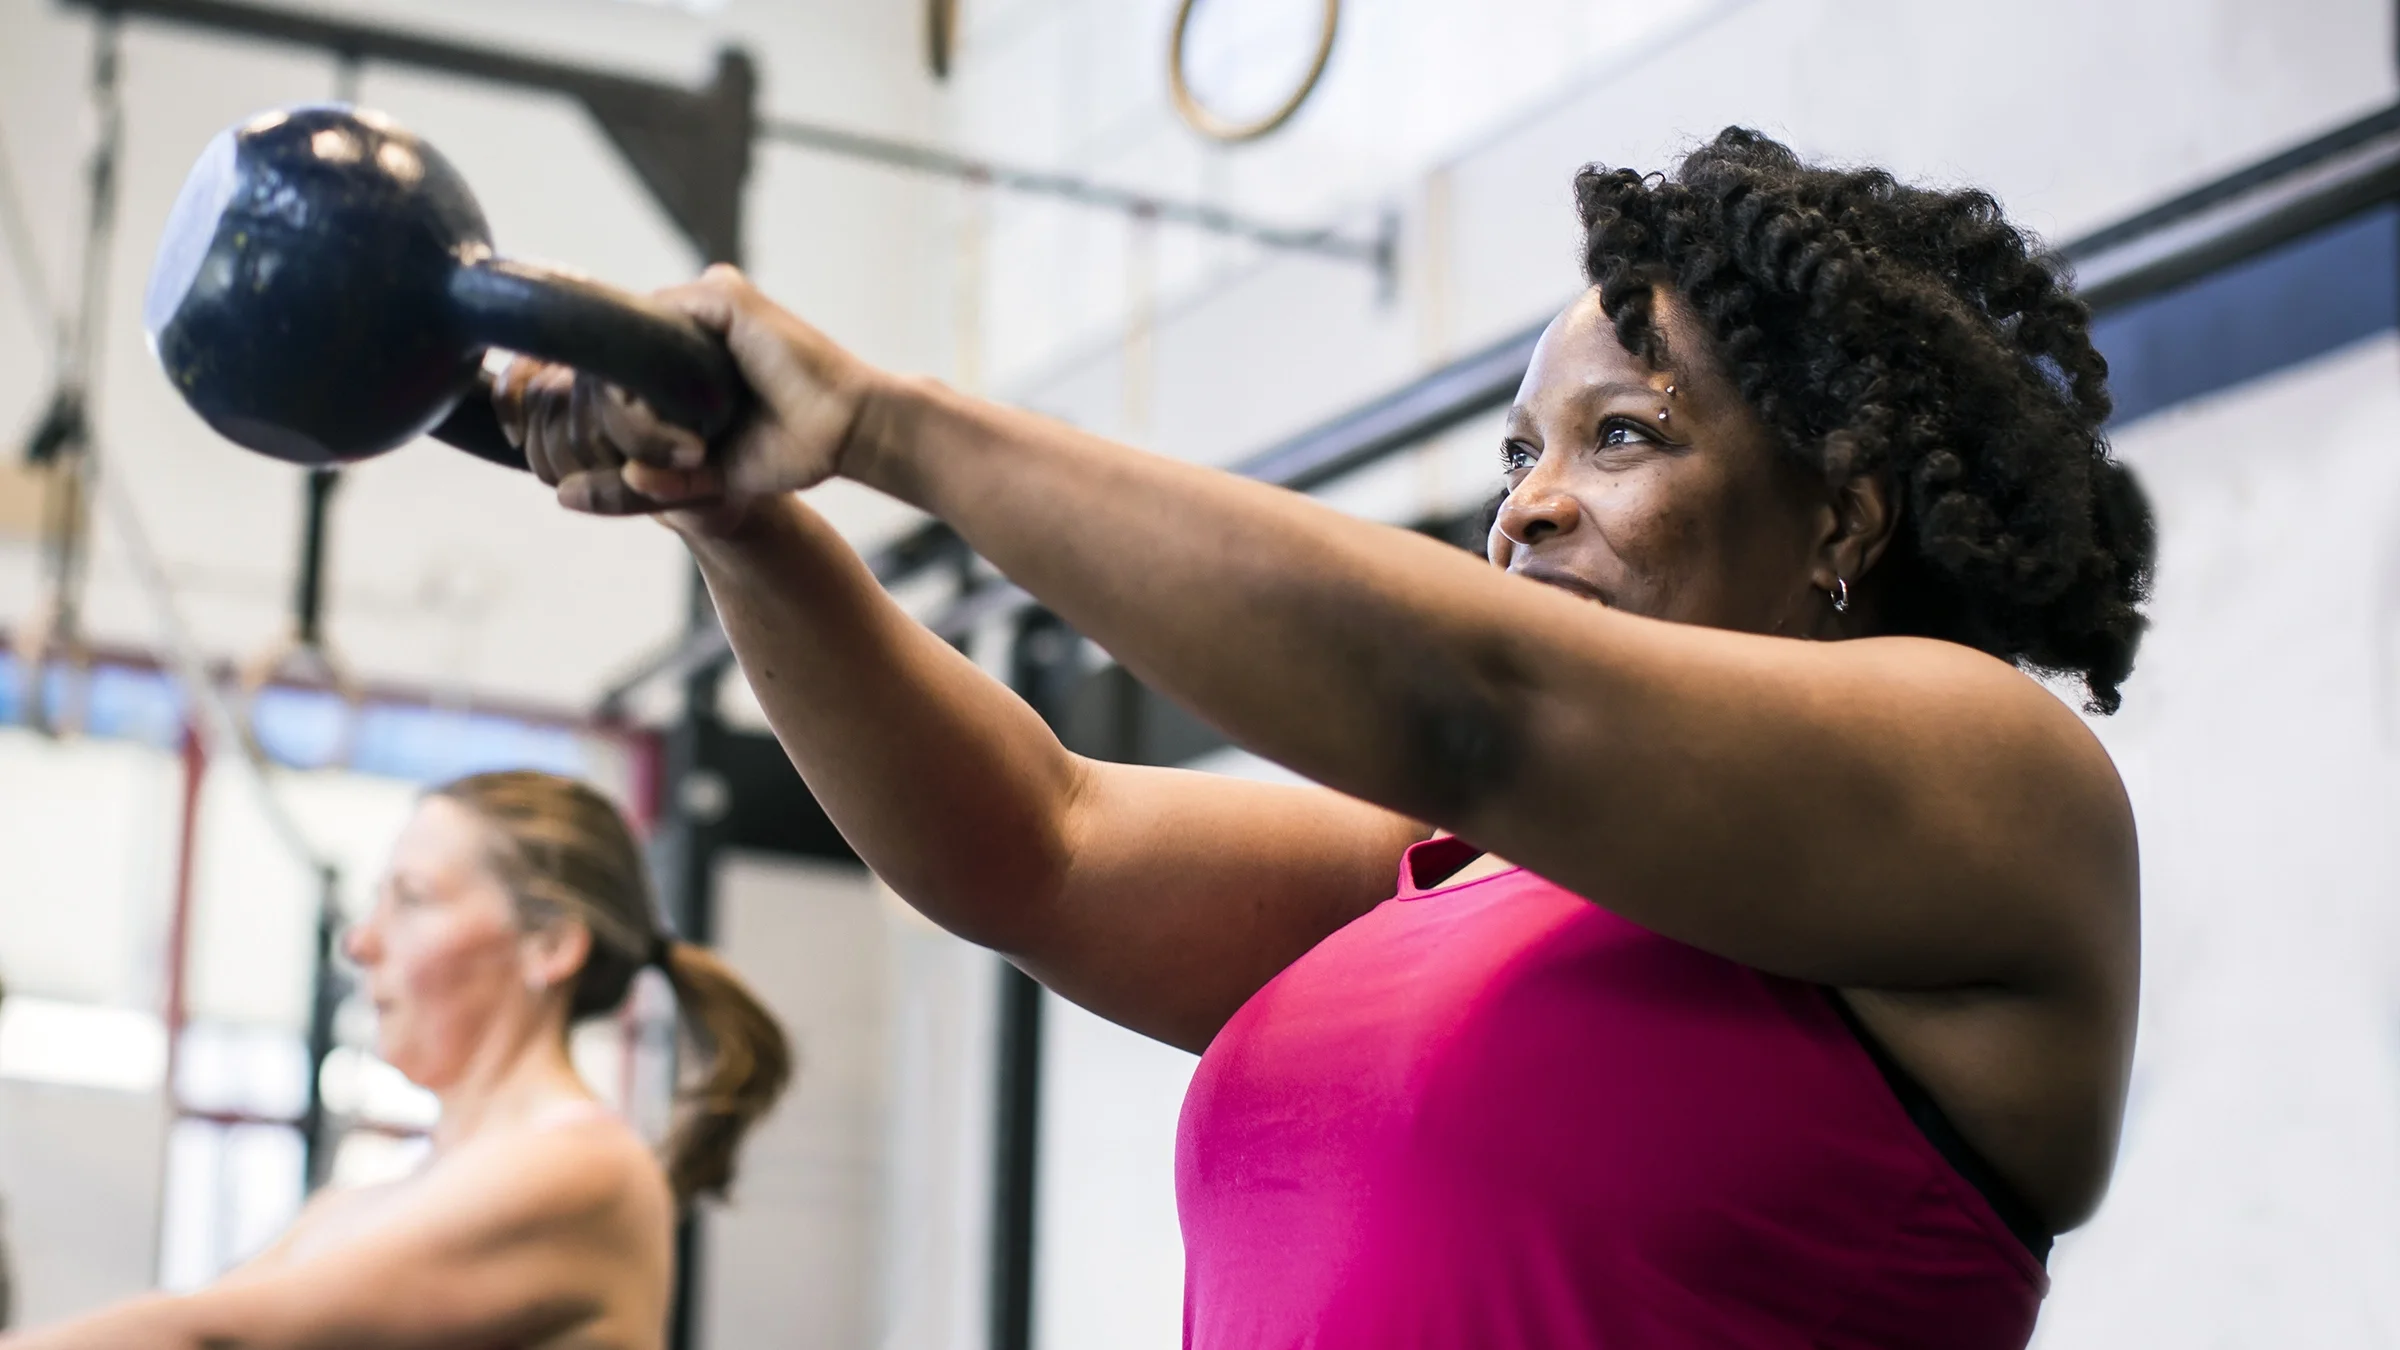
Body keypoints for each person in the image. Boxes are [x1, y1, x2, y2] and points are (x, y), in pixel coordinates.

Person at [502, 128, 2153, 1348]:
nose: (1528, 507)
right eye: (1519, 452)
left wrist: (882, 423)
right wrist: (738, 517)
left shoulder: (2002, 788)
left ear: (1841, 520)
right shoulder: (1451, 874)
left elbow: (1478, 707)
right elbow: (1037, 844)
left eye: (1623, 436)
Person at [0, 771, 790, 1350]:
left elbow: (214, 1337)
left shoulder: (587, 1170)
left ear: (549, 945)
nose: (360, 941)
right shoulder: (358, 1207)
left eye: (412, 899)